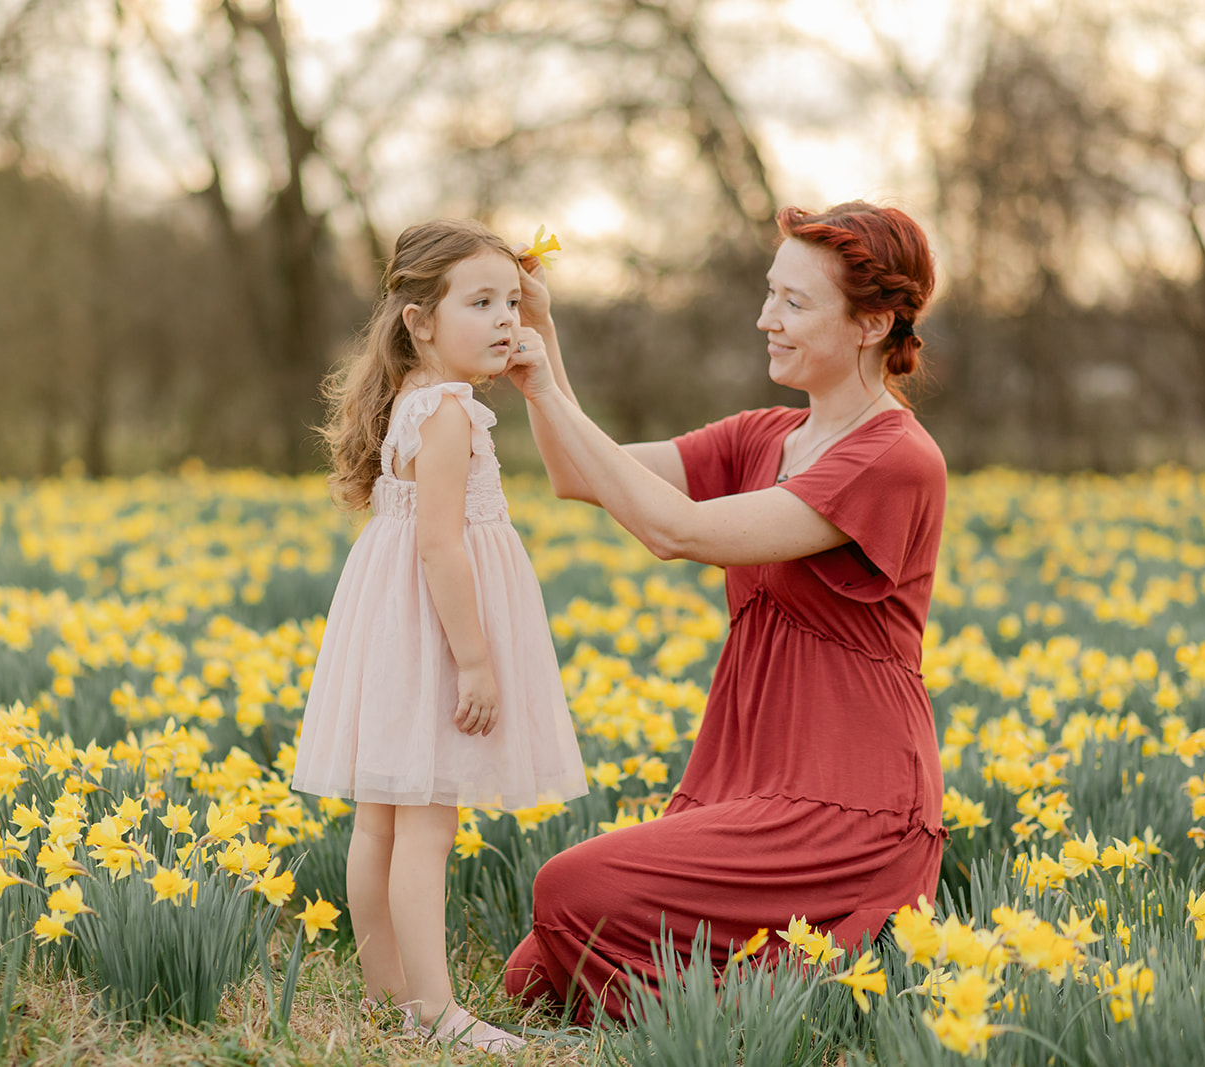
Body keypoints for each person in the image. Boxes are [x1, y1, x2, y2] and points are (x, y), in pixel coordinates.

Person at [498, 201, 947, 1024]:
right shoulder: (764, 436)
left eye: (794, 302)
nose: (764, 318)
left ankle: (764, 1015)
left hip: (849, 802)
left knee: (567, 893)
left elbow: (679, 532)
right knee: (535, 967)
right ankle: (758, 997)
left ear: (873, 323)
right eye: (770, 293)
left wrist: (541, 387)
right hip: (747, 778)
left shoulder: (894, 457)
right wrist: (544, 339)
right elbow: (577, 474)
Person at [290, 217, 587, 1052]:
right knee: (425, 820)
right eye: (481, 302)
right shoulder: (451, 414)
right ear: (422, 320)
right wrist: (476, 662)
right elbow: (441, 544)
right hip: (435, 631)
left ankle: (387, 994)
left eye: (513, 302)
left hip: (396, 619)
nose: (505, 319)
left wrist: (542, 321)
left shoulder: (414, 401)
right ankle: (436, 1008)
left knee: (380, 817)